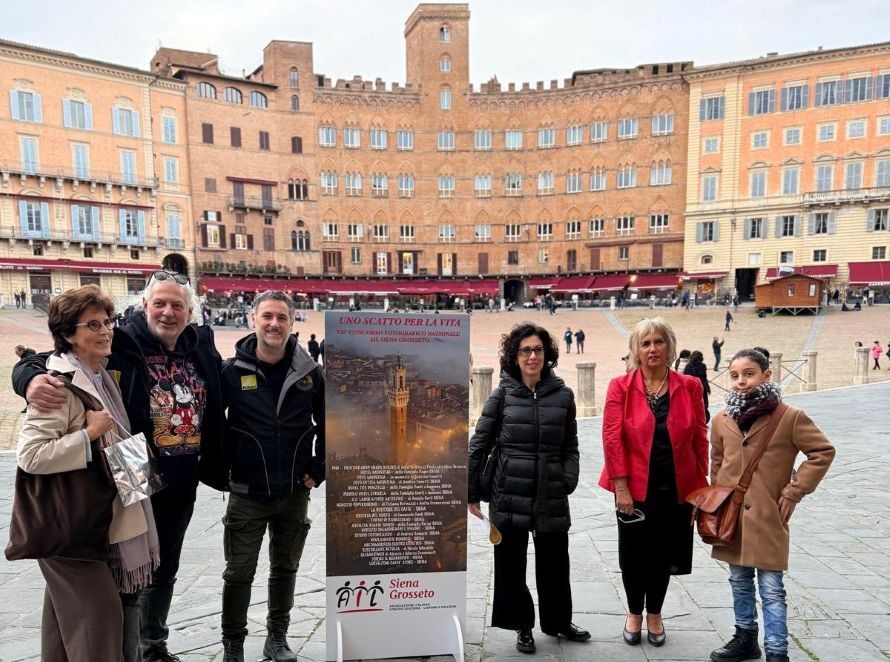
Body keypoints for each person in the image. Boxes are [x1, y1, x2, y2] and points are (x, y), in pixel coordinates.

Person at [13, 270, 227, 662]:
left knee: (162, 570)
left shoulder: (200, 348)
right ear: (144, 306)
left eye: (177, 305)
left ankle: (154, 645)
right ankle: (131, 653)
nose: (167, 312)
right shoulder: (120, 341)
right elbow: (52, 361)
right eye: (159, 303)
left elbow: (227, 393)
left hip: (177, 483)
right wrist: (27, 378)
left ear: (190, 311)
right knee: (124, 587)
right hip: (125, 484)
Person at [15, 285, 160, 661]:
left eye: (107, 321)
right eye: (92, 325)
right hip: (69, 526)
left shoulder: (98, 376)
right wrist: (88, 435)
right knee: (99, 623)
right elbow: (30, 455)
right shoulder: (58, 384)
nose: (105, 330)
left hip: (90, 523)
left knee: (64, 631)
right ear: (67, 334)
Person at [468, 323, 589, 654]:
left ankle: (558, 621)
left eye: (537, 350)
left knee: (554, 562)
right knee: (510, 563)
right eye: (525, 351)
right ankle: (522, 625)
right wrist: (471, 492)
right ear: (515, 356)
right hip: (509, 491)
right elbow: (479, 443)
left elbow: (571, 444)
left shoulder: (563, 395)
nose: (532, 356)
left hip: (550, 489)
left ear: (546, 354)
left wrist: (567, 478)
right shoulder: (502, 395)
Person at [709, 349, 835, 662]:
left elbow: (822, 451)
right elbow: (717, 461)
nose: (741, 381)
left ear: (767, 375)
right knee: (738, 580)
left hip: (768, 515)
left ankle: (777, 651)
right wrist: (715, 500)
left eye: (748, 374)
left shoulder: (788, 416)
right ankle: (745, 637)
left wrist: (794, 491)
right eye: (735, 375)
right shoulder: (722, 419)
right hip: (732, 517)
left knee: (772, 588)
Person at [219, 292, 325, 662]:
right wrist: (224, 471)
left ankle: (276, 638)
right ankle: (233, 645)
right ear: (253, 319)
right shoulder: (231, 372)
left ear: (292, 322)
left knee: (285, 568)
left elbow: (331, 424)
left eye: (281, 317)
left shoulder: (310, 374)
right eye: (267, 316)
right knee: (238, 573)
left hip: (294, 491)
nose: (274, 324)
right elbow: (216, 426)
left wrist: (318, 468)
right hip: (247, 492)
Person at [599, 317, 708, 649]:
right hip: (634, 487)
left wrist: (700, 489)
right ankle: (634, 612)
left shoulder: (690, 386)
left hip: (676, 487)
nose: (652, 349)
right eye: (645, 343)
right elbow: (612, 438)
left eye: (658, 341)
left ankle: (655, 614)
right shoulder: (621, 386)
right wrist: (621, 487)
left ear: (670, 346)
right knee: (633, 555)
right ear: (635, 350)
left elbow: (700, 439)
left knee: (663, 555)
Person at [683, 350, 711, 422]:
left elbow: (684, 377)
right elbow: (704, 378)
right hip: (701, 387)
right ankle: (704, 419)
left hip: (690, 388)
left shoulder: (688, 366)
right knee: (703, 404)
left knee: (692, 404)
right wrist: (707, 388)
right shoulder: (702, 366)